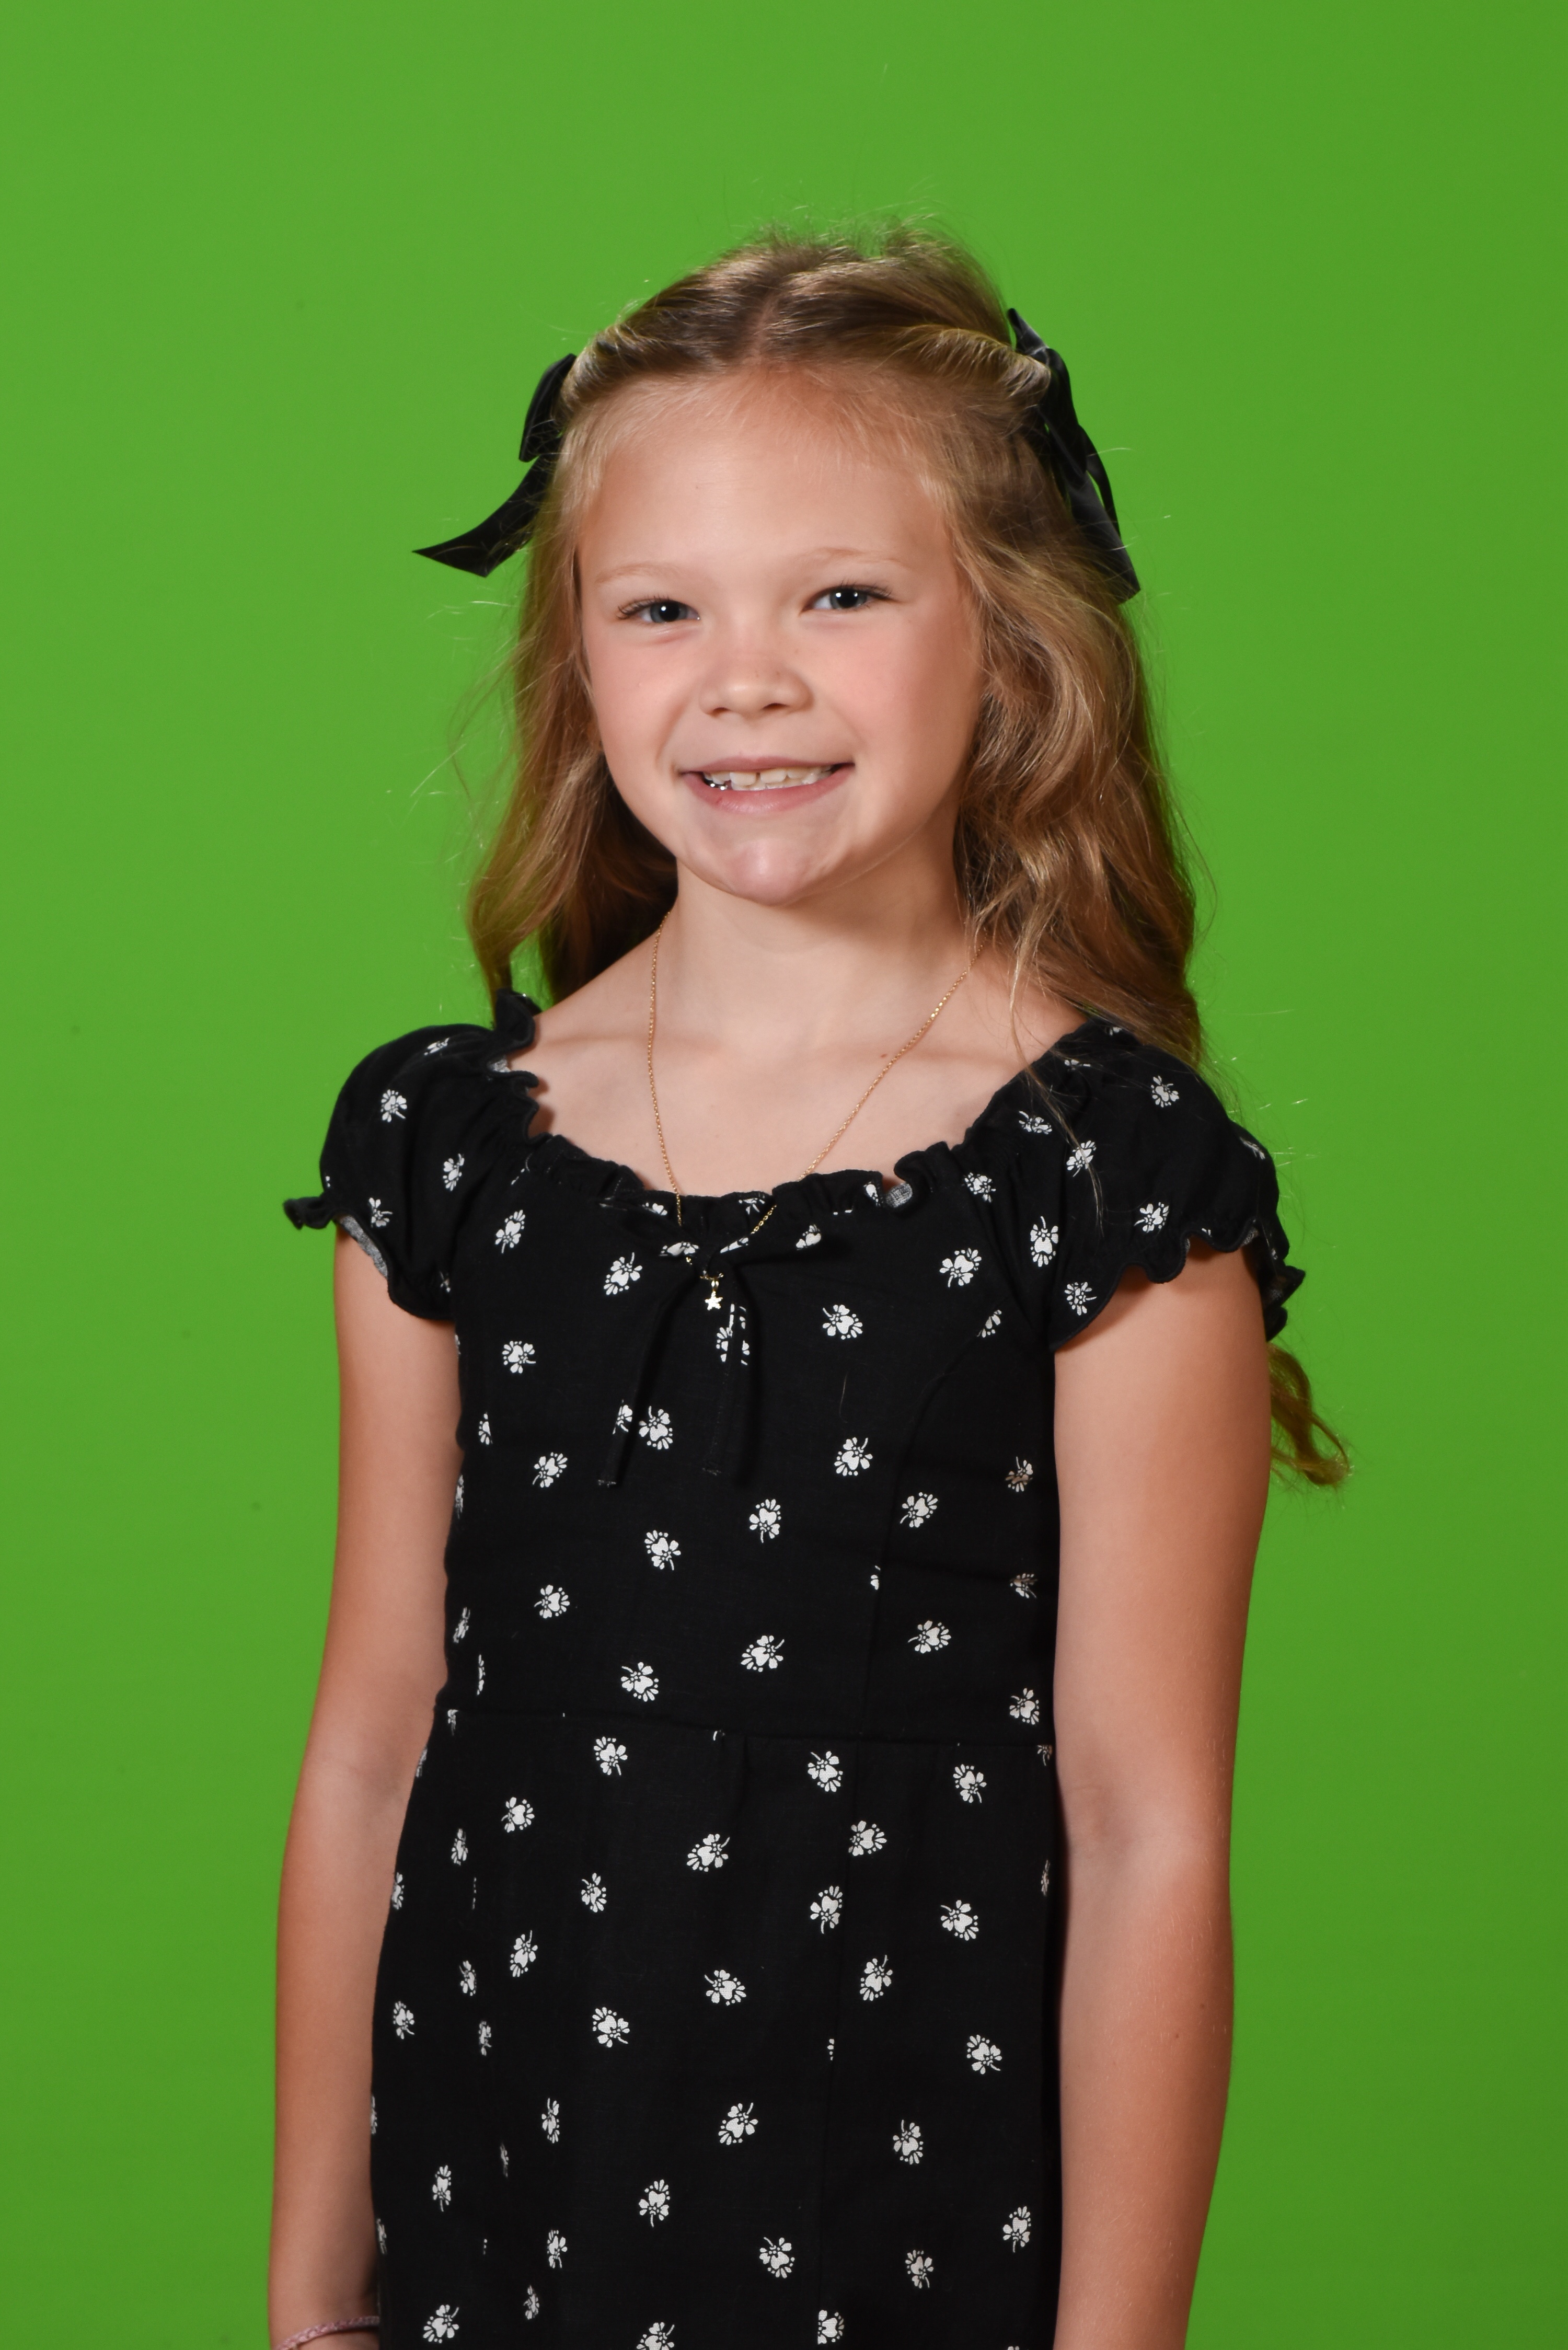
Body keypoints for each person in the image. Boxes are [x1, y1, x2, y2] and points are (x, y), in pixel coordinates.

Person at [269, 227, 1344, 2350]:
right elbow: (375, 1744)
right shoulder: (448, 1148)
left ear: (1010, 642)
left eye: (841, 596)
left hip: (906, 2208)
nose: (743, 677)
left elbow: (1147, 1829)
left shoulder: (1104, 1181)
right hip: (511, 2195)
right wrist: (313, 2299)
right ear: (580, 658)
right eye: (662, 606)